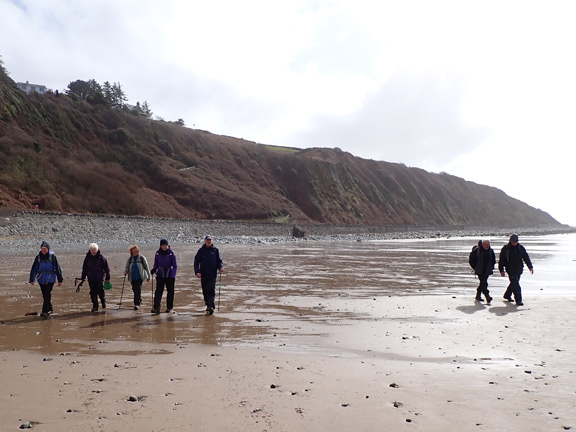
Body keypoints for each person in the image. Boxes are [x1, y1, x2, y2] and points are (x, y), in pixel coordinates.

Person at [29, 241, 63, 317]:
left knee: (47, 294)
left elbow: (57, 268)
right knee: (45, 295)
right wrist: (32, 279)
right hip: (41, 279)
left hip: (50, 278)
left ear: (48, 249)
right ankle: (50, 308)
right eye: (42, 248)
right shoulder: (38, 257)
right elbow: (34, 268)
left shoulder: (52, 257)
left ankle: (44, 311)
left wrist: (60, 279)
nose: (43, 250)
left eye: (45, 248)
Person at [498, 234, 534, 306]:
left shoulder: (521, 248)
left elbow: (526, 258)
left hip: (519, 269)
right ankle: (518, 300)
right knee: (516, 285)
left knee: (514, 283)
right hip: (510, 269)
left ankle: (507, 295)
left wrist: (530, 267)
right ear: (510, 241)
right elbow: (501, 260)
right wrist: (501, 270)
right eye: (513, 241)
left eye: (516, 241)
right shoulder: (506, 249)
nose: (514, 243)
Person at [194, 235, 223, 315]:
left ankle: (211, 306)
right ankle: (208, 304)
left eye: (210, 240)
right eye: (207, 240)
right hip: (203, 274)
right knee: (205, 291)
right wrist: (197, 272)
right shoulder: (201, 251)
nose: (208, 241)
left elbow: (219, 261)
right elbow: (196, 262)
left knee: (211, 290)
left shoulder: (215, 250)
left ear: (212, 241)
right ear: (205, 241)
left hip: (213, 274)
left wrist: (220, 267)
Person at [81, 243, 111, 312]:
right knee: (93, 292)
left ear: (97, 250)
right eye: (92, 250)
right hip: (91, 278)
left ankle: (103, 301)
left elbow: (107, 268)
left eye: (94, 250)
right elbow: (84, 268)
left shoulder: (101, 258)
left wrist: (108, 277)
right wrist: (83, 277)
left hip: (99, 278)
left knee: (100, 291)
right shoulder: (87, 258)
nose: (93, 251)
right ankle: (95, 306)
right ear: (90, 250)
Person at [150, 239, 177, 314]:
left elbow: (175, 266)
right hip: (160, 275)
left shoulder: (171, 254)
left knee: (170, 292)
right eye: (163, 245)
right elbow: (156, 263)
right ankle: (156, 308)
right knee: (158, 292)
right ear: (161, 246)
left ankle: (169, 308)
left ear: (168, 245)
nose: (164, 247)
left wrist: (173, 276)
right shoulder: (158, 253)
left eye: (166, 245)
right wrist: (154, 269)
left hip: (169, 275)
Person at [468, 239, 496, 304]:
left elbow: (493, 260)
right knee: (484, 283)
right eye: (486, 244)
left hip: (487, 270)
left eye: (488, 244)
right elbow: (471, 260)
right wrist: (475, 267)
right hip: (480, 270)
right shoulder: (477, 251)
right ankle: (487, 296)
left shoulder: (491, 251)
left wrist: (492, 267)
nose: (487, 246)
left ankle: (478, 295)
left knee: (482, 283)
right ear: (482, 245)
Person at [123, 245, 151, 310]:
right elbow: (127, 266)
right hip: (132, 277)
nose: (134, 253)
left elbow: (147, 267)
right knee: (134, 289)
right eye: (133, 252)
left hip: (139, 277)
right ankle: (139, 299)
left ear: (138, 251)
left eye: (135, 251)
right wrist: (126, 271)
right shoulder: (130, 259)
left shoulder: (142, 258)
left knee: (137, 290)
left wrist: (148, 276)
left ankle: (136, 304)